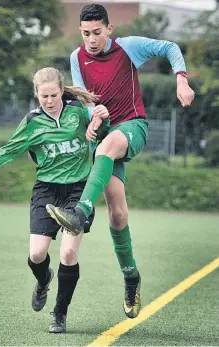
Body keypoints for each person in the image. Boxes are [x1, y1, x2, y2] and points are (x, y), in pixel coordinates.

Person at [46, 3, 195, 319]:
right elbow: (87, 100)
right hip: (105, 137)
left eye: (97, 33)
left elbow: (170, 47)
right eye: (86, 34)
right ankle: (132, 278)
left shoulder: (129, 49)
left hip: (133, 126)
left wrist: (181, 78)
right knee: (117, 214)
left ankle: (81, 212)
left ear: (109, 30)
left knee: (105, 151)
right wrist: (92, 116)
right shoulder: (77, 58)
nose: (92, 40)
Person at [0, 67, 110, 333]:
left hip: (78, 190)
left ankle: (59, 314)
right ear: (36, 95)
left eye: (54, 95)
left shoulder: (78, 112)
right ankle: (43, 280)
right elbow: (9, 150)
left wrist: (101, 120)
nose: (49, 100)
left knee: (68, 251)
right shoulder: (32, 121)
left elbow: (101, 131)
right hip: (46, 190)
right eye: (44, 96)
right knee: (37, 254)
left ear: (62, 91)